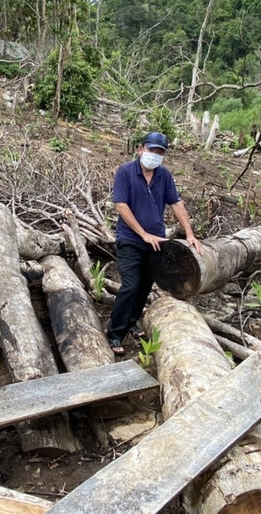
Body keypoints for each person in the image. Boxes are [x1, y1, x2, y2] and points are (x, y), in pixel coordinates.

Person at [107, 131, 203, 355]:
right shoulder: (126, 172)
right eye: (151, 150)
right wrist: (142, 233)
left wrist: (189, 233)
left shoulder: (164, 176)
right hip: (130, 239)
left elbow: (176, 204)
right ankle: (114, 333)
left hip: (157, 241)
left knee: (144, 287)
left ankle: (131, 323)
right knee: (130, 285)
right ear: (141, 149)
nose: (155, 155)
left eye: (160, 152)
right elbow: (121, 205)